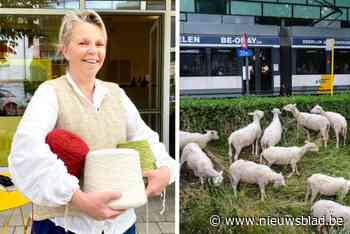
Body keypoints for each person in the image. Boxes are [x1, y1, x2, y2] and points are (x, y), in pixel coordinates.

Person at [8, 10, 177, 234]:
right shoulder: (50, 93)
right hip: (67, 225)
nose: (93, 51)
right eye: (83, 43)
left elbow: (143, 138)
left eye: (99, 44)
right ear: (65, 49)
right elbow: (26, 150)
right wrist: (77, 198)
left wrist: (165, 169)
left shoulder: (115, 93)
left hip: (120, 224)